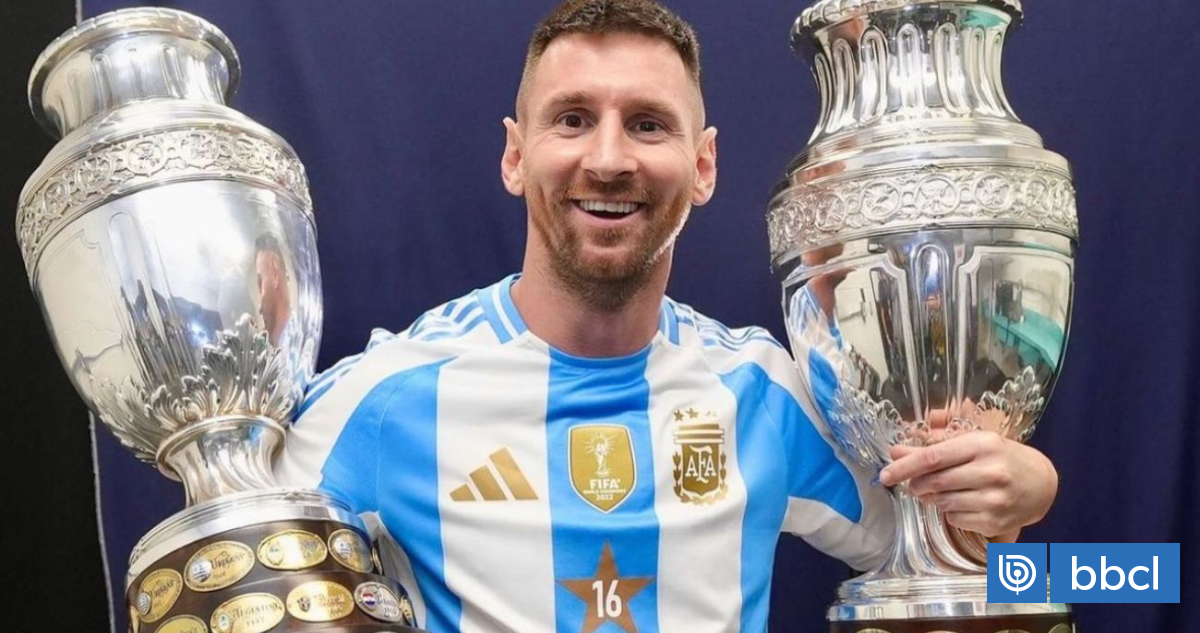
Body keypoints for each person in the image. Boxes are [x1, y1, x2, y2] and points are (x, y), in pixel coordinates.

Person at [275, 1, 1059, 631]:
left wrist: (1030, 499)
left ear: (704, 165)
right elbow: (220, 560)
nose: (609, 159)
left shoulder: (762, 393)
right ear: (515, 155)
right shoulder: (390, 395)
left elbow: (969, 572)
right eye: (572, 118)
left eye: (648, 123)